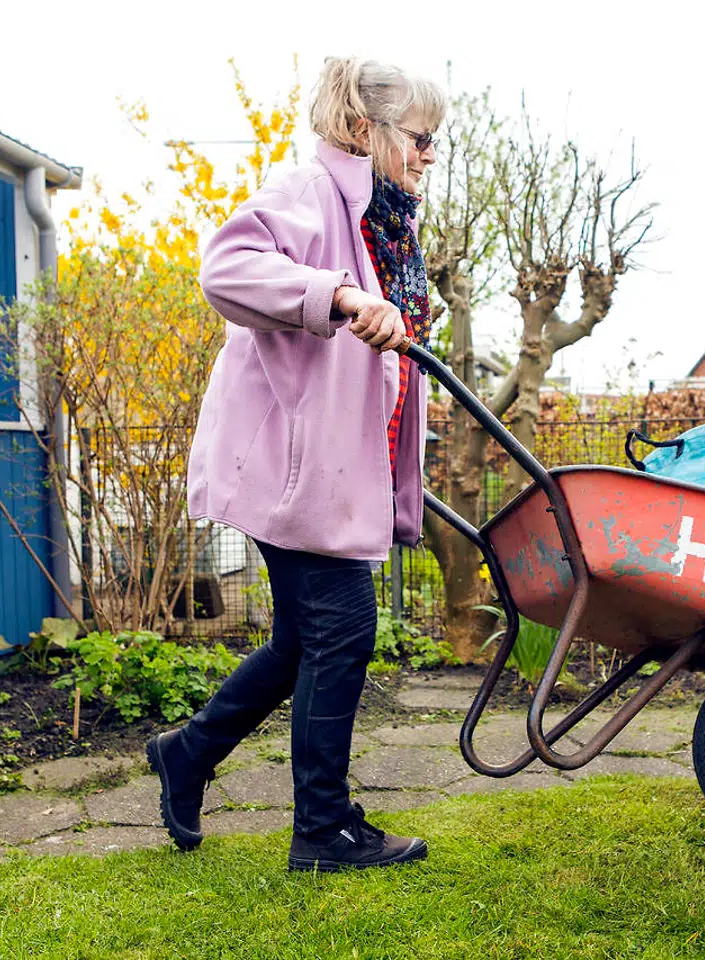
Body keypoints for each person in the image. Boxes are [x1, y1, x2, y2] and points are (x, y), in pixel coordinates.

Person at [146, 57, 444, 874]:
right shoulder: (311, 193)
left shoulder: (382, 223)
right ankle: (323, 829)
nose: (429, 155)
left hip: (326, 473)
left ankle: (187, 755)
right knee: (342, 632)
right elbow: (225, 269)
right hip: (292, 470)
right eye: (421, 138)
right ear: (365, 130)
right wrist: (340, 296)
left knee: (301, 642)